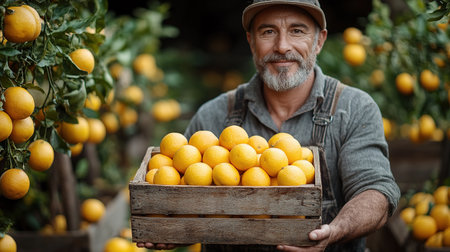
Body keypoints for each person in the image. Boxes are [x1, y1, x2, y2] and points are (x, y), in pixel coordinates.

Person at [138, 0, 400, 251]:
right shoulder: (214, 116)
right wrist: (175, 225)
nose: (282, 46)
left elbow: (375, 190)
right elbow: (182, 198)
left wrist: (337, 230)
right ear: (251, 42)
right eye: (268, 31)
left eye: (297, 31)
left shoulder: (353, 109)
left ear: (319, 41)